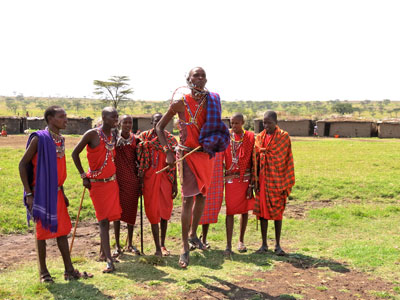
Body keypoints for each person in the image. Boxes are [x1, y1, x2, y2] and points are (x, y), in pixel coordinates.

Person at [155, 67, 230, 268]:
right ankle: (183, 247)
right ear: (188, 79)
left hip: (205, 155)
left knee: (202, 196)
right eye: (196, 75)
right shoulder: (180, 102)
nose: (200, 77)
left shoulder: (212, 100)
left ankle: (193, 234)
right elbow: (160, 127)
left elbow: (216, 127)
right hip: (187, 155)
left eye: (203, 75)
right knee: (188, 199)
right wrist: (168, 151)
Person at [19, 106, 91, 283]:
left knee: (62, 231)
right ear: (50, 119)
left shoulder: (61, 140)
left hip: (57, 193)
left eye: (66, 116)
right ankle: (43, 273)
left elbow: (57, 171)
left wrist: (63, 193)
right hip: (40, 194)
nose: (66, 120)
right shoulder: (39, 139)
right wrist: (29, 193)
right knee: (42, 233)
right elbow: (22, 165)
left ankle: (69, 270)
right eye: (61, 117)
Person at [72, 107, 122, 273]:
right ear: (104, 117)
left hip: (112, 183)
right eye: (113, 116)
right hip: (97, 184)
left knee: (111, 218)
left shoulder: (113, 135)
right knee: (103, 221)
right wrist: (83, 176)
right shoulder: (92, 134)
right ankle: (109, 260)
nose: (116, 119)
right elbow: (74, 154)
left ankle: (103, 253)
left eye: (117, 116)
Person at [253, 111, 295, 256]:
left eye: (269, 123)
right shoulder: (259, 138)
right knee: (262, 213)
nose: (266, 126)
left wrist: (284, 182)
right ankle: (264, 244)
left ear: (275, 122)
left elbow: (286, 159)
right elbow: (255, 159)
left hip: (277, 181)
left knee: (278, 213)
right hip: (262, 181)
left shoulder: (283, 137)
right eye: (264, 123)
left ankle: (277, 244)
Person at [137, 113, 178, 256]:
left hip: (166, 179)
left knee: (165, 212)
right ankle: (157, 248)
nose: (158, 123)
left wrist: (175, 184)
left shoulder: (171, 139)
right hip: (149, 179)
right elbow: (138, 160)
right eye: (156, 121)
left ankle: (163, 244)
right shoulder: (144, 138)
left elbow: (175, 164)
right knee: (152, 212)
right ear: (151, 122)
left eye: (161, 121)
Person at [223, 113, 255, 255]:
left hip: (245, 178)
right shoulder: (226, 137)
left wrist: (252, 184)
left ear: (243, 122)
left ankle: (241, 241)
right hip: (230, 179)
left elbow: (254, 160)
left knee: (244, 210)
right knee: (229, 211)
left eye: (237, 123)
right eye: (232, 123)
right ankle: (228, 245)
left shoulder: (250, 137)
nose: (234, 126)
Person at [113, 115, 141, 257]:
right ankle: (117, 245)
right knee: (116, 213)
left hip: (131, 180)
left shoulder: (136, 139)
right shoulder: (112, 139)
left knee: (131, 212)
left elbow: (140, 160)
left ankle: (129, 243)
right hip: (116, 179)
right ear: (120, 123)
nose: (128, 125)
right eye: (125, 122)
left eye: (130, 122)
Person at [196, 151, 224, 250]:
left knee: (208, 205)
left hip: (214, 170)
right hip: (197, 165)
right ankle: (190, 238)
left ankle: (204, 239)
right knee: (192, 203)